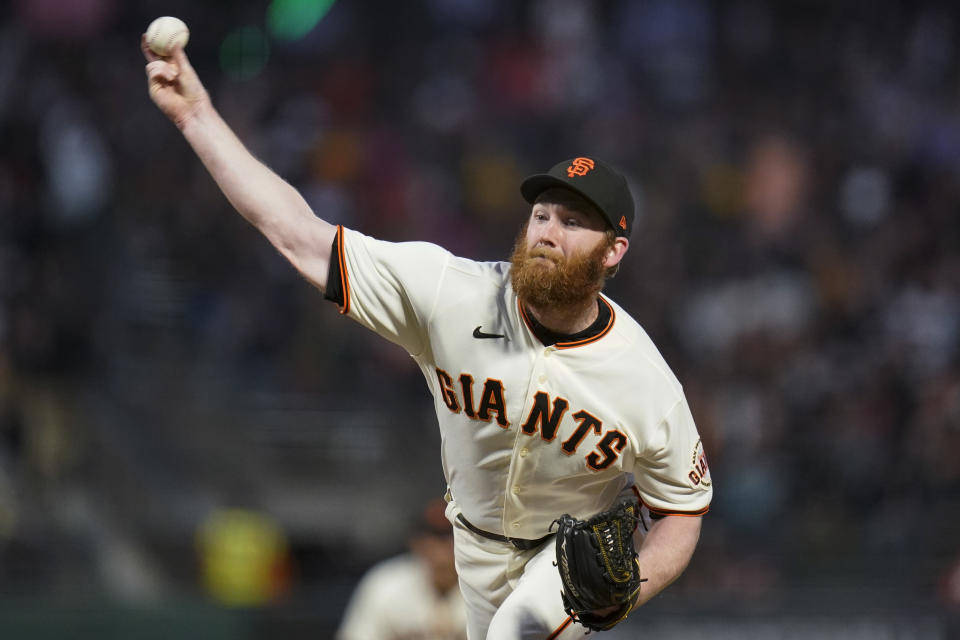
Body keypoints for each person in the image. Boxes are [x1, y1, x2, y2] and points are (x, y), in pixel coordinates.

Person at [142, 37, 713, 640]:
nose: (547, 231)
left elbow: (684, 507)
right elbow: (298, 235)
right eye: (541, 214)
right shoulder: (451, 293)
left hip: (566, 555)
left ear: (613, 251)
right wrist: (196, 115)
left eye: (573, 223)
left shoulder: (643, 378)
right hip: (472, 546)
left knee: (514, 632)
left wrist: (631, 589)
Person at [337, 498, 467, 640]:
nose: (440, 551)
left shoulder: (487, 586)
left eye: (449, 538)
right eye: (433, 539)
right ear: (416, 544)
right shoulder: (385, 584)